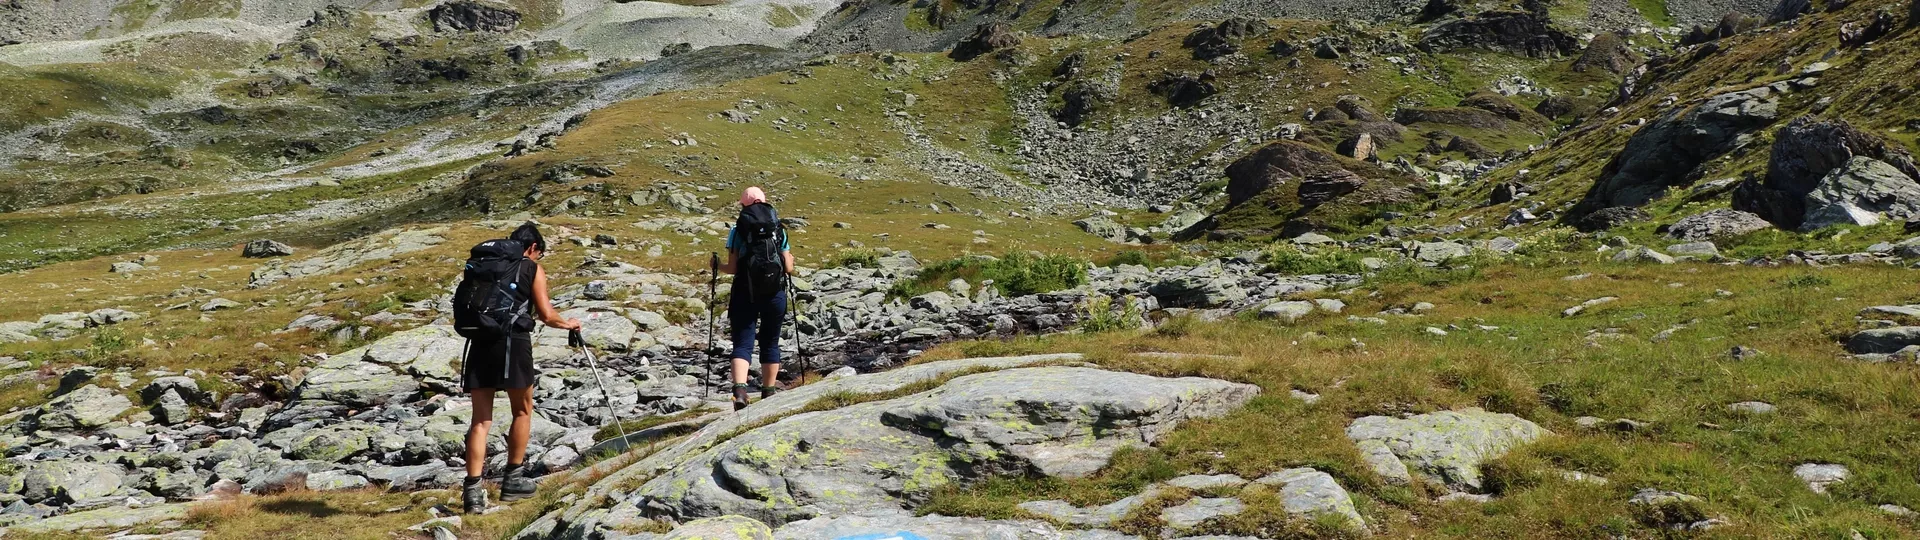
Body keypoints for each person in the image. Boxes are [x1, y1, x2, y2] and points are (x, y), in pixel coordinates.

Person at [461, 223, 581, 513]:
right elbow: (546, 314)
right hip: (513, 343)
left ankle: (473, 494)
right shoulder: (531, 268)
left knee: (480, 420)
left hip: (478, 343)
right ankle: (513, 481)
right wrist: (569, 324)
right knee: (522, 410)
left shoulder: (483, 265)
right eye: (539, 253)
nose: (538, 258)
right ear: (532, 248)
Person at [718, 186, 794, 410]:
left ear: (743, 205)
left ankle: (740, 391)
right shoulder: (778, 229)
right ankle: (768, 393)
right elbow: (788, 267)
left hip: (744, 292)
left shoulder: (738, 229)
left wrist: (716, 266)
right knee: (770, 342)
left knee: (743, 343)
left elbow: (732, 268)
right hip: (774, 293)